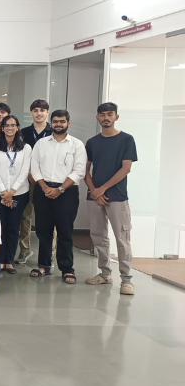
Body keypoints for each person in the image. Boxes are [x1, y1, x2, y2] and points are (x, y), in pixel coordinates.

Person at [84, 102, 138, 295]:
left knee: (122, 239)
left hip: (117, 197)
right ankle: (105, 273)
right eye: (102, 114)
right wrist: (94, 191)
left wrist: (102, 189)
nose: (106, 118)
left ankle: (126, 279)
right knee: (98, 237)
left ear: (116, 117)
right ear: (97, 117)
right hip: (94, 197)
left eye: (110, 114)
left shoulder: (126, 140)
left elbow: (126, 168)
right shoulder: (92, 142)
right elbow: (85, 170)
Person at [29, 110, 86, 284]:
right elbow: (34, 167)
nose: (58, 124)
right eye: (55, 121)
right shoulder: (41, 143)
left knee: (65, 231)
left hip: (67, 192)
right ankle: (44, 266)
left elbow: (79, 171)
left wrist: (60, 189)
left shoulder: (76, 145)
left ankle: (67, 269)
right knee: (43, 231)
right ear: (51, 123)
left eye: (62, 121)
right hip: (43, 190)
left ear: (68, 123)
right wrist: (45, 187)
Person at [0, 115, 32, 274]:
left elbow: (24, 172)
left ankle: (9, 261)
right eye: (7, 125)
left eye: (13, 125)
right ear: (2, 128)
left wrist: (12, 192)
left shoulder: (26, 148)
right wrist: (4, 192)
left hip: (19, 193)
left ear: (17, 127)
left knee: (14, 227)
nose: (10, 128)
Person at [17, 99, 53, 265]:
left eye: (42, 110)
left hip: (49, 180)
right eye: (36, 110)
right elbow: (19, 156)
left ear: (47, 112)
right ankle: (25, 249)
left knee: (49, 217)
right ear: (31, 113)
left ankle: (50, 252)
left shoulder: (54, 132)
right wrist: (29, 172)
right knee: (26, 215)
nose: (39, 113)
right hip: (28, 178)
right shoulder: (23, 132)